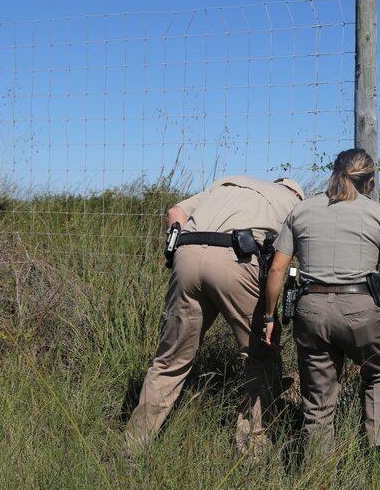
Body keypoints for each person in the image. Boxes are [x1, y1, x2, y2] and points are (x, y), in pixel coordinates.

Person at [125, 175, 305, 456]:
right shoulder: (293, 204)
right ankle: (253, 450)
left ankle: (132, 448)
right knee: (261, 355)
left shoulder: (227, 184)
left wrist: (176, 247)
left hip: (186, 254)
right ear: (296, 195)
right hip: (238, 259)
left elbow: (176, 212)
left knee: (170, 361)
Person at [263, 148, 380, 469]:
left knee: (318, 399)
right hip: (361, 308)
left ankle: (317, 470)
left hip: (310, 310)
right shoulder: (378, 214)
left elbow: (277, 270)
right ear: (370, 181)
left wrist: (271, 316)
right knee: (379, 374)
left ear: (334, 174)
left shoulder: (302, 210)